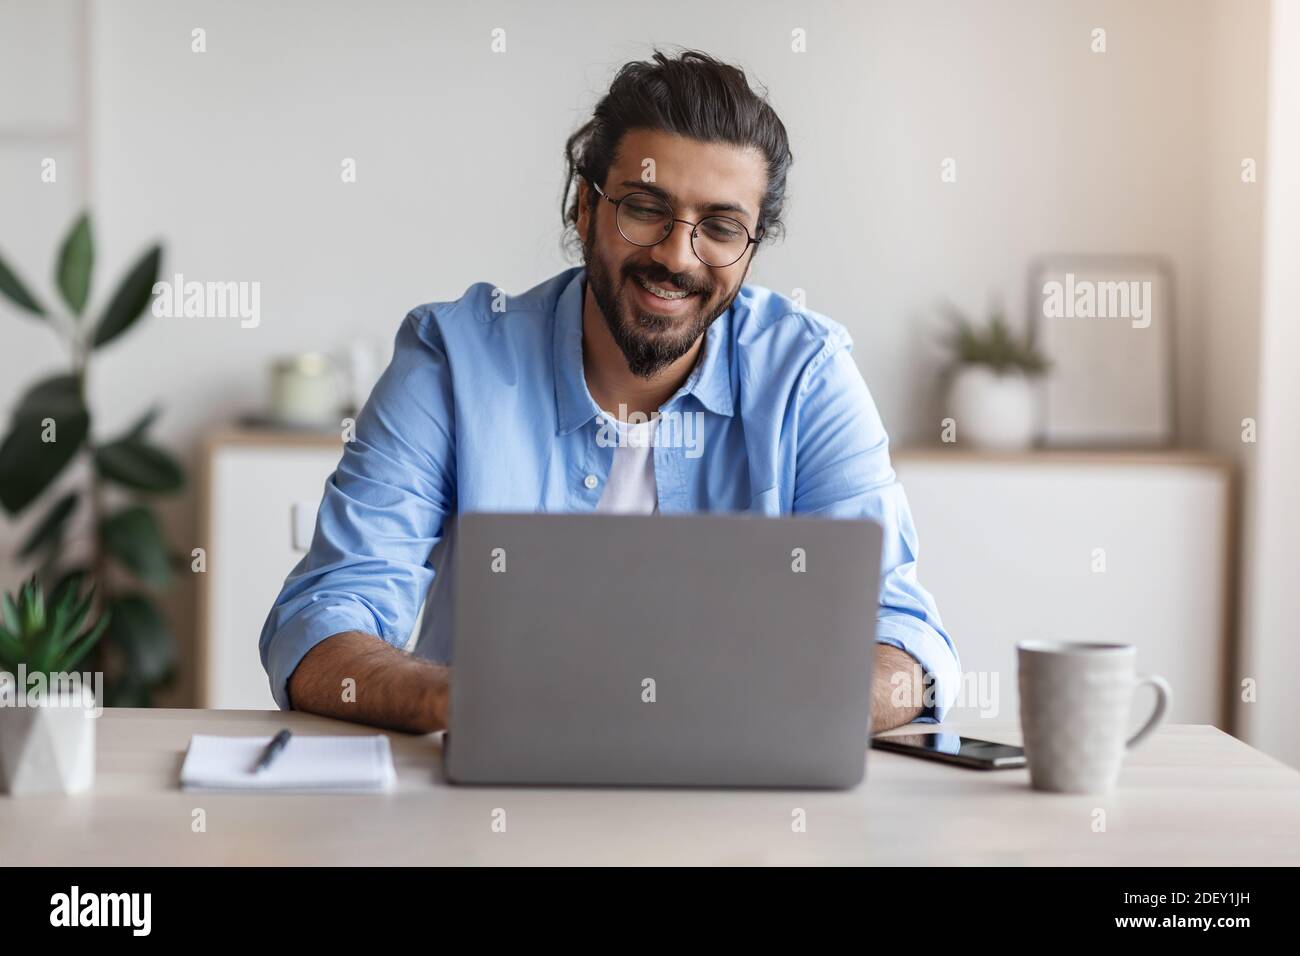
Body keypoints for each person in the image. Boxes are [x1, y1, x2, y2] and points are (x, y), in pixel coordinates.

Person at [259, 49, 960, 736]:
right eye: (646, 208)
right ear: (584, 209)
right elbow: (323, 620)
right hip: (494, 812)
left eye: (720, 227)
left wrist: (769, 717)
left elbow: (905, 638)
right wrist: (459, 699)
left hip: (744, 818)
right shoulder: (454, 360)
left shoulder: (808, 374)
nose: (677, 257)